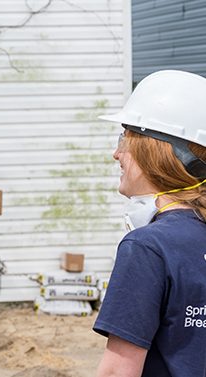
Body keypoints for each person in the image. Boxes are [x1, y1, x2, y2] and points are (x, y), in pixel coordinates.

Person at [93, 70, 206, 376]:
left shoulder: (148, 248)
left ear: (158, 152)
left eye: (125, 139)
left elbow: (118, 371)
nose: (116, 154)